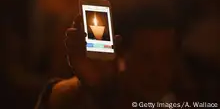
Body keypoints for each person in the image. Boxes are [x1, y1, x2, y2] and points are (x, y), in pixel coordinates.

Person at [35, 6, 198, 109]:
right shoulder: (101, 98)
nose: (157, 71)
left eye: (166, 58)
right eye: (146, 58)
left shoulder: (188, 100)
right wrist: (86, 86)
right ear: (121, 56)